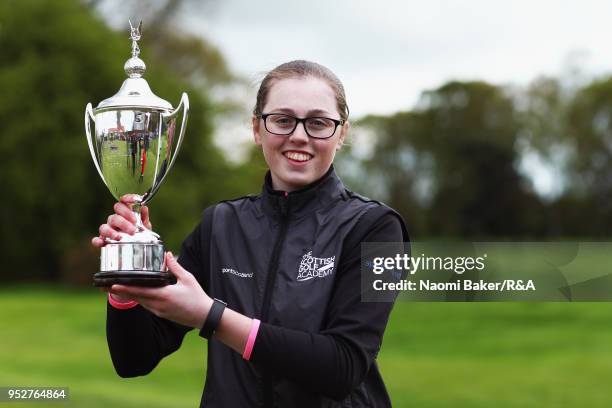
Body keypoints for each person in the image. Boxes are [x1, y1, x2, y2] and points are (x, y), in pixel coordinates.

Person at [93, 60, 409, 408]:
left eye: (318, 122)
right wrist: (130, 282)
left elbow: (343, 367)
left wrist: (211, 316)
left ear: (342, 132)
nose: (299, 135)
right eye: (282, 120)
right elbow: (134, 359)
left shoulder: (376, 228)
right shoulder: (220, 225)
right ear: (257, 128)